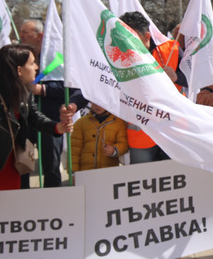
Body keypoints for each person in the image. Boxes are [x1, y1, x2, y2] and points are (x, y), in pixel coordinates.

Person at [0, 44, 76, 203]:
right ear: (18, 70)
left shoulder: (23, 90)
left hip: (10, 159)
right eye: (32, 63)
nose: (37, 67)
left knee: (10, 208)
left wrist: (56, 127)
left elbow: (34, 116)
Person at [19, 19, 86, 187]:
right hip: (25, 119)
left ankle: (54, 199)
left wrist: (42, 90)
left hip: (49, 120)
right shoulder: (20, 56)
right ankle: (22, 198)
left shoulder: (58, 56)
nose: (21, 36)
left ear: (40, 35)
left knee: (51, 166)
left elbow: (71, 88)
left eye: (25, 32)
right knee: (22, 165)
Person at [119, 12, 179, 164]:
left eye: (134, 42)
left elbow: (198, 74)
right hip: (140, 137)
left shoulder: (172, 49)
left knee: (174, 181)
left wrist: (177, 76)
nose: (129, 47)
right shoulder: (118, 56)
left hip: (170, 131)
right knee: (142, 182)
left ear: (147, 37)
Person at [70, 104, 128, 172]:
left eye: (101, 103)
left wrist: (114, 150)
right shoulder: (80, 123)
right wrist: (73, 172)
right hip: (85, 173)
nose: (98, 106)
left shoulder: (119, 123)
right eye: (95, 103)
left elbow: (124, 144)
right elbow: (74, 151)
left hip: (109, 173)